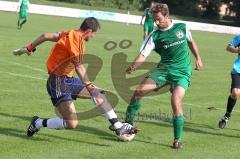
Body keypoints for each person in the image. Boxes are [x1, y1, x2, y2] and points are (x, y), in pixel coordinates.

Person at [13, 17, 138, 137]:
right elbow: (79, 66)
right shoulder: (76, 41)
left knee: (98, 93)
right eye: (93, 34)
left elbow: (45, 36)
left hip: (67, 80)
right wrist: (89, 85)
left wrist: (29, 48)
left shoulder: (68, 33)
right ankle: (38, 122)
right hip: (57, 83)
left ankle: (117, 125)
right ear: (88, 31)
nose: (93, 37)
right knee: (71, 123)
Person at [124, 3, 203, 149]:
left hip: (182, 72)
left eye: (158, 18)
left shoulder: (182, 27)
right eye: (154, 19)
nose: (156, 22)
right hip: (163, 70)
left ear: (166, 15)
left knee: (176, 99)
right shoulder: (154, 35)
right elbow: (143, 54)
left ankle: (177, 140)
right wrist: (133, 66)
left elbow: (191, 42)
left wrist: (198, 58)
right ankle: (128, 125)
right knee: (139, 92)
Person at [218, 35, 240, 129]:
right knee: (235, 93)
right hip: (238, 70)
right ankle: (227, 116)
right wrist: (237, 50)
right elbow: (228, 47)